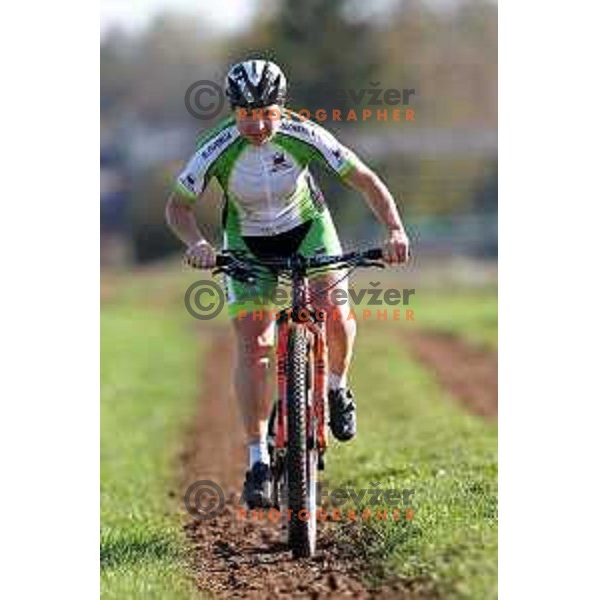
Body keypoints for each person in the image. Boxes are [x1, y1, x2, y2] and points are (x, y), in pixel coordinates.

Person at [166, 59, 410, 508]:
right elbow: (178, 206)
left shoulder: (306, 135)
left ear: (282, 108)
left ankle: (336, 386)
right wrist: (197, 242)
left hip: (308, 229)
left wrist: (394, 229)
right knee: (254, 344)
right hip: (247, 245)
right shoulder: (216, 147)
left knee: (334, 313)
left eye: (267, 113)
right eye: (246, 115)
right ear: (233, 111)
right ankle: (258, 457)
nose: (257, 125)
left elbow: (364, 180)